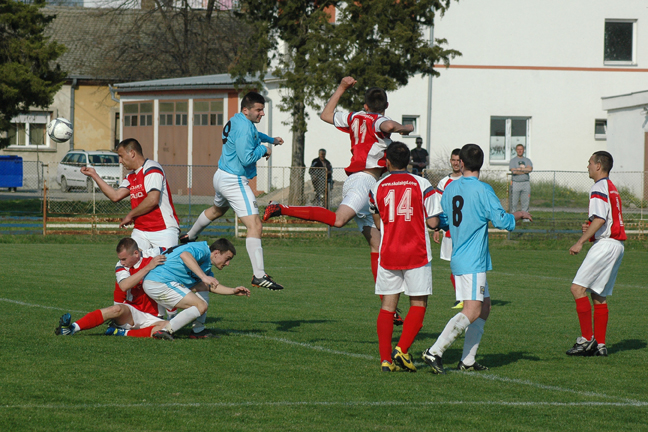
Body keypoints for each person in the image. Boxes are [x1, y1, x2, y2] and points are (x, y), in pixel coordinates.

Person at [263, 77, 413, 324]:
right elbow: (388, 126)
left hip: (370, 186)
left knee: (378, 245)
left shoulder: (355, 117)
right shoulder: (379, 120)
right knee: (339, 220)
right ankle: (281, 208)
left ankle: (389, 307)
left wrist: (342, 88)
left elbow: (325, 115)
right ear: (384, 106)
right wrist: (404, 128)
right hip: (364, 182)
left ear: (365, 105)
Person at [422, 144, 532, 374]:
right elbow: (501, 221)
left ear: (461, 163)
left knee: (484, 308)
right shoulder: (483, 190)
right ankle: (435, 351)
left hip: (461, 256)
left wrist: (436, 223)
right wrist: (517, 216)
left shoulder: (451, 189)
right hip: (472, 260)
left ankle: (468, 360)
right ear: (480, 164)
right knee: (472, 310)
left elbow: (445, 219)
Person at [180, 92, 285, 291]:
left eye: (263, 109)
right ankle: (259, 275)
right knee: (255, 225)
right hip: (234, 180)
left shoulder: (236, 119)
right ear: (246, 110)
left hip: (221, 175)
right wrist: (265, 149)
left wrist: (271, 139)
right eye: (258, 110)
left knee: (217, 211)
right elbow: (246, 158)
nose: (262, 113)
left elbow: (254, 134)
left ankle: (190, 236)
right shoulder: (245, 129)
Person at [369, 142, 442, 372]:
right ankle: (401, 349)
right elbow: (432, 222)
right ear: (409, 160)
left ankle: (385, 360)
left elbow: (377, 219)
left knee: (388, 306)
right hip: (416, 252)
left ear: (387, 161)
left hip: (388, 252)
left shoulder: (377, 186)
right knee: (418, 303)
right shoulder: (422, 184)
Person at [565, 151, 625, 357]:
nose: (588, 166)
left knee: (577, 289)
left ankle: (586, 339)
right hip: (616, 245)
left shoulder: (598, 187)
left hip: (606, 244)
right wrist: (591, 230)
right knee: (599, 296)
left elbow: (600, 219)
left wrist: (580, 242)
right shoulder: (612, 187)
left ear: (599, 165)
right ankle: (600, 345)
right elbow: (605, 220)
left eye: (590, 162)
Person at [55, 238, 170, 338]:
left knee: (167, 327)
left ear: (136, 253)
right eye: (120, 259)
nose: (121, 262)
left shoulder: (154, 253)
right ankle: (71, 328)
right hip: (132, 312)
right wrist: (148, 267)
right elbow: (124, 285)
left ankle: (121, 333)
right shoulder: (121, 266)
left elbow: (174, 251)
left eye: (124, 259)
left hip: (156, 316)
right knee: (116, 309)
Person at [81, 138, 180, 250]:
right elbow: (115, 196)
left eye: (121, 156)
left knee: (167, 266)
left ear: (132, 153)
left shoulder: (152, 168)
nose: (119, 161)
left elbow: (153, 199)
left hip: (163, 229)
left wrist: (130, 215)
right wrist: (94, 175)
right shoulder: (131, 176)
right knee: (130, 263)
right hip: (141, 231)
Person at [143, 238, 250, 340]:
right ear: (216, 253)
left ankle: (198, 331)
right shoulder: (202, 249)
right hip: (159, 282)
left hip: (161, 282)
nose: (228, 264)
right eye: (227, 259)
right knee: (201, 305)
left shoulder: (206, 263)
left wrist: (233, 291)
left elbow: (209, 285)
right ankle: (165, 330)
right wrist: (204, 277)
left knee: (202, 287)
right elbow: (185, 255)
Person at [432, 148, 463, 309]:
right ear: (450, 161)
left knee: (464, 264)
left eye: (458, 160)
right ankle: (461, 297)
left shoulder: (467, 180)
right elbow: (438, 207)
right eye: (453, 160)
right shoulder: (444, 183)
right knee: (454, 264)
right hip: (449, 230)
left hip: (466, 230)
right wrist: (437, 229)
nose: (456, 163)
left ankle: (466, 297)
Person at [509, 144, 533, 217]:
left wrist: (520, 169)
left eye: (521, 149)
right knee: (514, 202)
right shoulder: (513, 161)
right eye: (518, 149)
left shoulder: (527, 160)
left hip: (526, 183)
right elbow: (514, 171)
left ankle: (525, 217)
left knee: (525, 201)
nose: (520, 151)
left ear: (523, 150)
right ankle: (513, 217)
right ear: (516, 150)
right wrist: (525, 170)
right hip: (516, 183)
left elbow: (530, 169)